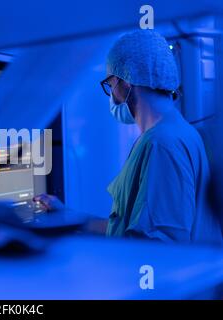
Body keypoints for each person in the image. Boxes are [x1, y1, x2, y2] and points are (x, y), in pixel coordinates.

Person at [35, 30, 223, 245]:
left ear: (126, 82)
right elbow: (126, 228)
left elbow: (157, 247)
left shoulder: (161, 143)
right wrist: (68, 217)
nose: (112, 95)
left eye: (111, 84)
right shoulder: (177, 132)